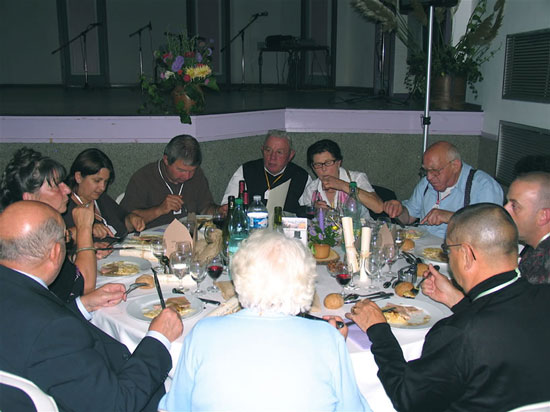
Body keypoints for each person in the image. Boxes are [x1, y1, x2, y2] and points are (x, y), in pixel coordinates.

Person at [346, 203, 550, 411]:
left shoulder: (455, 333)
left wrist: (379, 330)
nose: (448, 258)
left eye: (448, 250)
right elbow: (502, 321)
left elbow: (407, 399)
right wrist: (458, 301)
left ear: (466, 254)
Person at [0, 201, 182, 412]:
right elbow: (117, 405)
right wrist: (159, 338)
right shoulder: (52, 332)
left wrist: (82, 304)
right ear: (55, 252)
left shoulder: (14, 288)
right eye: (66, 239)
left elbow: (31, 324)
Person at [159, 230, 370, 412]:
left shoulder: (203, 333)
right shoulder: (328, 338)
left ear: (239, 276)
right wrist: (332, 342)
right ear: (306, 280)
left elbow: (175, 407)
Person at [0, 147, 97, 298]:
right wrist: (84, 228)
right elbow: (84, 287)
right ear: (30, 199)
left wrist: (77, 255)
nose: (67, 189)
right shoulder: (28, 241)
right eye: (56, 185)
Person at [383, 141, 504, 238]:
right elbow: (409, 217)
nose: (429, 177)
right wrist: (398, 211)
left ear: (455, 166)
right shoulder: (426, 183)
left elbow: (490, 230)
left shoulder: (484, 186)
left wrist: (451, 217)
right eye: (426, 170)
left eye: (435, 171)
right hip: (422, 250)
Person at [121, 134, 223, 229]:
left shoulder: (197, 175)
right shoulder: (143, 178)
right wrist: (159, 210)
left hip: (190, 236)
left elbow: (205, 208)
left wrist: (219, 211)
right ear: (166, 160)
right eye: (181, 170)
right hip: (152, 239)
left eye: (192, 171)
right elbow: (127, 221)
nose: (187, 176)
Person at [221, 130, 311, 215]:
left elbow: (310, 211)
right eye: (268, 150)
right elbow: (227, 206)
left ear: (290, 155)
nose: (272, 157)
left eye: (279, 152)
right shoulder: (246, 170)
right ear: (262, 150)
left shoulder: (301, 177)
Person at [64, 148, 145, 239]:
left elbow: (122, 223)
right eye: (97, 181)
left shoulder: (101, 198)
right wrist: (86, 230)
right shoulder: (64, 206)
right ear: (78, 177)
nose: (102, 187)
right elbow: (62, 239)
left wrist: (131, 220)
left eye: (105, 182)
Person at [299, 139, 383, 220]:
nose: (323, 169)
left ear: (339, 162)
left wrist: (342, 185)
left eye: (328, 163)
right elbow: (301, 216)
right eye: (318, 165)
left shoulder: (356, 178)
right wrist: (314, 210)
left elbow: (378, 208)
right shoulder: (312, 189)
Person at [505, 172, 550, 284]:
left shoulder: (543, 268)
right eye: (507, 202)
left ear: (543, 216)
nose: (505, 209)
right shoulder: (534, 249)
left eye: (514, 206)